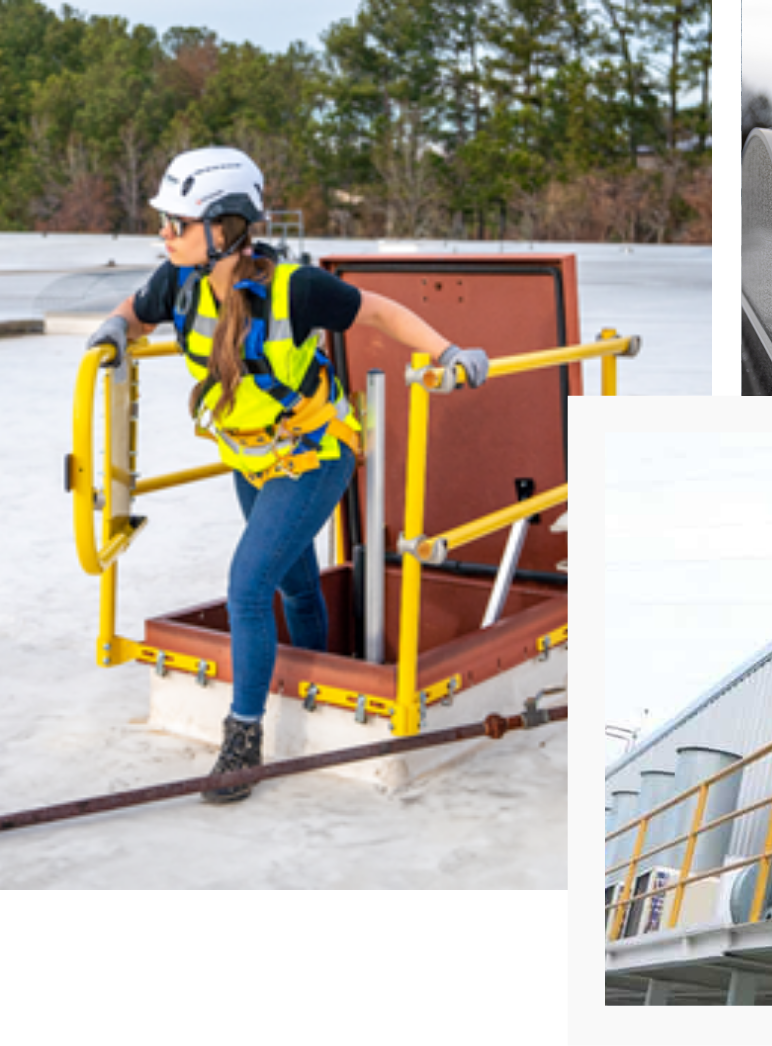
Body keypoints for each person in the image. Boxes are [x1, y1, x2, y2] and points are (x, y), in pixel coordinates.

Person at [85, 146, 489, 803]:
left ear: (226, 229)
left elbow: (380, 313)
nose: (164, 234)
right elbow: (136, 307)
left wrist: (449, 352)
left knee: (247, 587)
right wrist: (112, 328)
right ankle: (325, 693)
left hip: (312, 457)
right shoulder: (177, 283)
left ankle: (243, 742)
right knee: (297, 585)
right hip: (251, 459)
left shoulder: (294, 288)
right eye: (164, 222)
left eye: (177, 223)